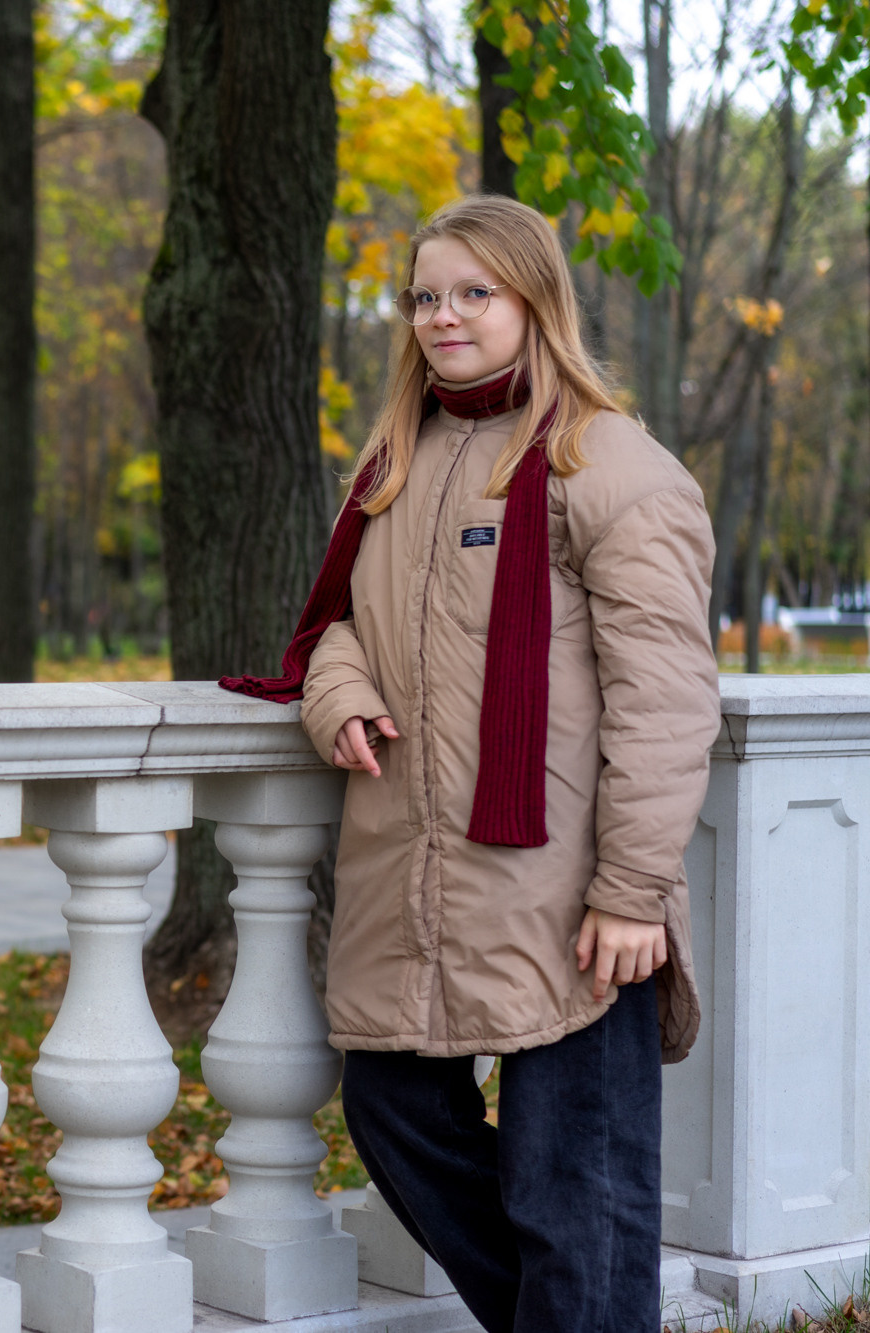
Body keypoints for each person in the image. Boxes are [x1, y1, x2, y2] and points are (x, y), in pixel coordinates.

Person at [223, 194, 717, 1332]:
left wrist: (633, 890)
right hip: (415, 866)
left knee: (572, 1182)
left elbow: (664, 700)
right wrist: (336, 692)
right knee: (393, 1108)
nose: (439, 316)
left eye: (470, 293)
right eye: (422, 296)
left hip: (575, 883)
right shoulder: (397, 460)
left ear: (532, 300)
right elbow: (341, 622)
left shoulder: (613, 468)